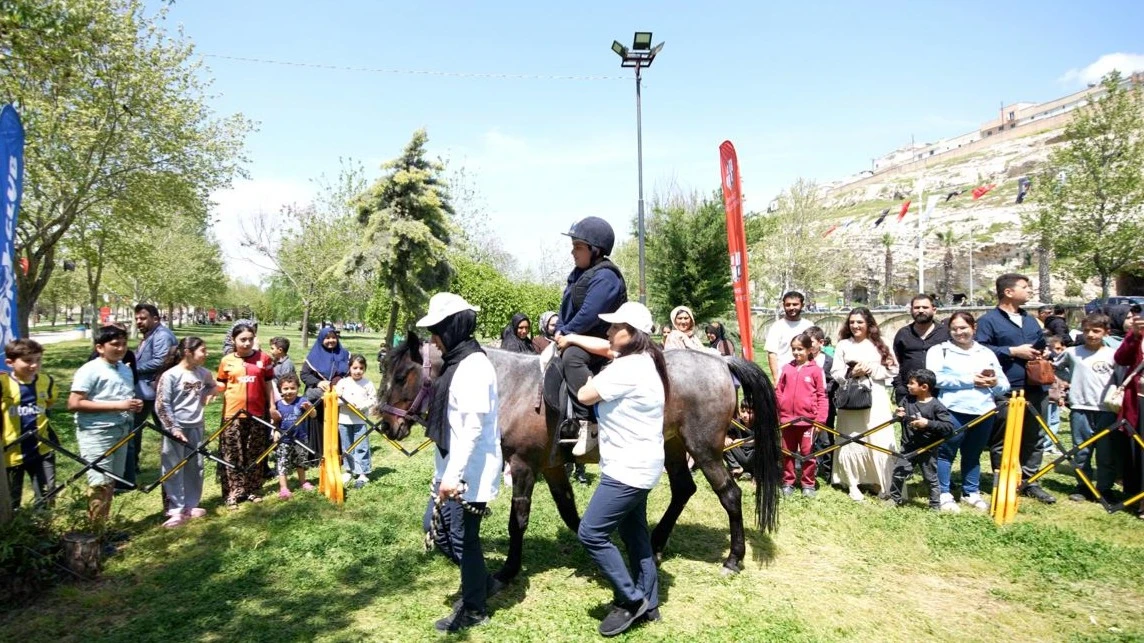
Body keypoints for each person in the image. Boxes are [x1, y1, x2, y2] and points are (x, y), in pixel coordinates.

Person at [565, 301, 666, 636]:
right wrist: (574, 339)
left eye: (613, 327)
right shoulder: (645, 359)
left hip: (627, 470)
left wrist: (572, 359)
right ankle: (649, 603)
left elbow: (584, 393)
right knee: (635, 533)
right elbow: (607, 349)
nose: (607, 332)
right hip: (643, 465)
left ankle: (631, 598)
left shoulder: (626, 370)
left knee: (591, 533)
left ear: (631, 333)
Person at [417, 292, 501, 633]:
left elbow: (470, 429)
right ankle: (483, 582)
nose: (433, 340)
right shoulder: (457, 362)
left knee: (463, 538)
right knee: (436, 528)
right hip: (453, 467)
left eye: (437, 331)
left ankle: (475, 607)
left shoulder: (473, 367)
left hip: (468, 471)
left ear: (452, 328)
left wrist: (451, 477)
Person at [976, 273, 1055, 504]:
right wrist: (1012, 351)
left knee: (1034, 435)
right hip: (1008, 387)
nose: (1029, 291)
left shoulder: (1030, 320)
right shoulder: (989, 320)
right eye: (1025, 287)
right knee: (1003, 437)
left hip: (1036, 385)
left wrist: (1044, 352)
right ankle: (1004, 480)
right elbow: (981, 348)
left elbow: (1039, 342)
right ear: (1008, 292)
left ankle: (1030, 481)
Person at [555, 216, 627, 457]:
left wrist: (567, 333)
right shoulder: (579, 274)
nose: (572, 253)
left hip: (607, 340)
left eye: (578, 247)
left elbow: (589, 314)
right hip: (579, 334)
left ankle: (590, 423)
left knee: (572, 357)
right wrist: (559, 329)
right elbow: (566, 308)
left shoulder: (606, 277)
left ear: (595, 250)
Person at [926, 311, 1009, 511]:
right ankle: (944, 492)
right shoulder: (939, 351)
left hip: (984, 410)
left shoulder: (986, 353)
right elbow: (934, 378)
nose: (958, 332)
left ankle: (971, 491)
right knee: (946, 452)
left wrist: (994, 382)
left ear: (973, 328)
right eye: (954, 329)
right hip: (953, 409)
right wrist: (970, 380)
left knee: (973, 453)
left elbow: (1004, 384)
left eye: (963, 328)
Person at [67, 326, 142, 526]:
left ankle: (104, 529)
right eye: (115, 345)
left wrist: (133, 404)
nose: (120, 349)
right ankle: (94, 532)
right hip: (97, 432)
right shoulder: (90, 369)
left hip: (122, 430)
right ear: (100, 347)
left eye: (124, 344)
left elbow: (123, 397)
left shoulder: (125, 369)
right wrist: (119, 406)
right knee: (99, 483)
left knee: (111, 482)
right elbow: (74, 403)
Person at [830, 307, 898, 501]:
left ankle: (881, 482)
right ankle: (852, 482)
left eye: (859, 322)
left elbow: (893, 369)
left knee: (879, 437)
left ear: (868, 323)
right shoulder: (843, 344)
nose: (855, 326)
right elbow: (836, 372)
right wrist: (852, 373)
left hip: (875, 395)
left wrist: (871, 369)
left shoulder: (882, 343)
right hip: (851, 397)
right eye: (852, 322)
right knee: (851, 439)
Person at [1053, 313, 1118, 502]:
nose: (1090, 335)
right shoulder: (1073, 353)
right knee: (1081, 450)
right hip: (1080, 407)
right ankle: (1083, 486)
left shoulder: (1113, 355)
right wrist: (1069, 379)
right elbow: (1056, 367)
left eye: (1096, 331)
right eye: (1087, 330)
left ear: (1106, 333)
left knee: (1106, 453)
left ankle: (1104, 488)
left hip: (1106, 410)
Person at [154, 337, 218, 527]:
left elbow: (212, 385)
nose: (206, 354)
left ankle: (191, 505)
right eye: (203, 351)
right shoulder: (171, 375)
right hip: (176, 428)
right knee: (173, 467)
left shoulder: (202, 373)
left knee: (195, 467)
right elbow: (162, 405)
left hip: (196, 425)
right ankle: (175, 509)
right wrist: (173, 428)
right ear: (188, 352)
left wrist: (208, 394)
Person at [215, 323, 278, 509]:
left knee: (255, 453)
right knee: (232, 454)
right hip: (232, 416)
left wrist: (272, 406)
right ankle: (233, 493)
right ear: (233, 340)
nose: (247, 343)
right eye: (242, 339)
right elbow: (221, 385)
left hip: (258, 414)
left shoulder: (264, 359)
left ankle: (253, 489)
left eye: (250, 339)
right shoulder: (226, 361)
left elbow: (268, 385)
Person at [887, 369, 956, 510]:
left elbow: (948, 426)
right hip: (908, 446)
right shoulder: (908, 399)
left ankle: (935, 505)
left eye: (912, 383)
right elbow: (901, 412)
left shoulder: (936, 406)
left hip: (927, 448)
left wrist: (928, 423)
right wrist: (899, 414)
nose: (908, 385)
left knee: (930, 478)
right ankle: (894, 499)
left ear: (924, 387)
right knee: (899, 473)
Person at [127, 303, 178, 488]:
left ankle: (177, 463)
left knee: (166, 428)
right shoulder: (151, 335)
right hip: (145, 390)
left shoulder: (162, 335)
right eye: (137, 318)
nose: (138, 321)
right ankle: (132, 468)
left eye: (143, 318)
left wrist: (132, 369)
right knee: (137, 430)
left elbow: (160, 361)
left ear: (155, 319)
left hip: (152, 391)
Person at [2, 339, 57, 509]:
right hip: (10, 452)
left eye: (38, 360)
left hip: (42, 448)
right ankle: (14, 531)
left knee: (48, 494)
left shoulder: (47, 381)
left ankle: (44, 527)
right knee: (10, 500)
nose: (34, 365)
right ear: (10, 362)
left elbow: (48, 403)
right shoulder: (3, 383)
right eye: (27, 361)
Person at [775, 334, 827, 498]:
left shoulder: (816, 371)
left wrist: (820, 420)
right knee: (787, 452)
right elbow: (779, 392)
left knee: (807, 453)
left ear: (809, 349)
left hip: (808, 422)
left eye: (800, 349)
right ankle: (788, 481)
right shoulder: (786, 368)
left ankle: (808, 483)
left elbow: (822, 396)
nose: (796, 353)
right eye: (794, 349)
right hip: (787, 421)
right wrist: (778, 412)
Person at [300, 327, 350, 464]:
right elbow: (304, 375)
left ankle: (338, 454)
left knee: (338, 426)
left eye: (333, 337)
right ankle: (318, 456)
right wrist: (318, 382)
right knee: (320, 426)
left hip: (339, 399)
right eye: (327, 338)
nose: (331, 341)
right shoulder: (313, 356)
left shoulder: (345, 354)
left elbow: (351, 373)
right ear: (321, 339)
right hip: (319, 401)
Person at [1113, 309, 1144, 519]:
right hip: (1140, 400)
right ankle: (1141, 499)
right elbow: (1121, 359)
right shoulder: (1137, 337)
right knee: (1140, 450)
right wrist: (1134, 335)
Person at [891, 294, 950, 402]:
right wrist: (899, 387)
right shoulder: (903, 334)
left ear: (934, 310)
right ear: (911, 310)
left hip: (940, 394)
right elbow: (894, 363)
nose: (921, 310)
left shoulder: (945, 333)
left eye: (925, 307)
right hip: (909, 394)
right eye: (917, 307)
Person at [336, 354, 378, 489]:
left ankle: (363, 473)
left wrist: (361, 405)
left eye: (361, 368)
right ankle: (349, 470)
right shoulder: (343, 383)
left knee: (361, 447)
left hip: (360, 420)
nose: (358, 371)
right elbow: (335, 399)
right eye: (355, 368)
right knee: (347, 447)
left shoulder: (368, 384)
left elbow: (373, 400)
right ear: (349, 368)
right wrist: (345, 403)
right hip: (344, 420)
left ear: (365, 369)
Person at [273, 373, 313, 500]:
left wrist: (309, 409)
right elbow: (275, 422)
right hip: (284, 440)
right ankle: (284, 487)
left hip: (300, 439)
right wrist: (275, 431)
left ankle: (303, 482)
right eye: (286, 388)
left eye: (292, 388)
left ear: (297, 388)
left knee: (300, 462)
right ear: (280, 390)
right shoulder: (278, 404)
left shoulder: (302, 401)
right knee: (282, 463)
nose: (289, 391)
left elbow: (313, 415)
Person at [806, 326, 837, 482]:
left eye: (811, 342)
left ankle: (829, 470)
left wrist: (821, 391)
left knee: (825, 439)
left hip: (826, 406)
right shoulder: (803, 361)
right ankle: (813, 467)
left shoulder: (829, 361)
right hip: (807, 406)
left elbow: (833, 381)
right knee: (810, 438)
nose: (808, 345)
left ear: (821, 342)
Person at [765, 291, 814, 380]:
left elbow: (813, 351)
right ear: (783, 305)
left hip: (806, 377)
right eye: (788, 305)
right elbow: (772, 354)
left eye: (795, 304)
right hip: (784, 377)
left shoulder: (809, 325)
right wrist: (776, 379)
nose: (791, 307)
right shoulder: (777, 326)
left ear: (802, 305)